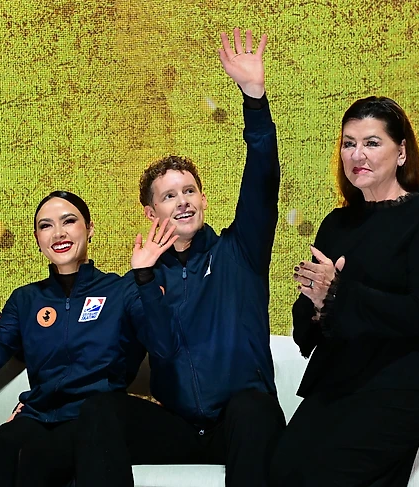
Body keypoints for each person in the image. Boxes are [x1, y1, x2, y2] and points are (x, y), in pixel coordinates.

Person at [75, 28, 285, 487]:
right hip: (181, 428)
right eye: (169, 196)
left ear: (204, 200)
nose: (183, 201)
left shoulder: (240, 251)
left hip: (240, 425)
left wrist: (254, 98)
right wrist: (145, 279)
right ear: (151, 213)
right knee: (99, 410)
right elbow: (145, 356)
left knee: (252, 407)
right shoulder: (137, 282)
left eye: (189, 191)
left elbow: (263, 179)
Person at [270, 96, 419, 486]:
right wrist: (316, 304)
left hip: (411, 380)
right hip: (343, 377)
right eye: (349, 143)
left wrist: (338, 294)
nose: (357, 154)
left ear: (401, 152)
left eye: (371, 143)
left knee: (324, 476)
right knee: (280, 471)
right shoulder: (335, 224)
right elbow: (308, 327)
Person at [0, 191, 147, 487]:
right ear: (38, 239)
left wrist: (147, 279)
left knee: (30, 457)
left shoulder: (121, 290)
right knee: (2, 445)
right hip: (39, 418)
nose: (58, 233)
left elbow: (160, 341)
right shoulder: (25, 299)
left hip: (95, 423)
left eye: (69, 221)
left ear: (90, 228)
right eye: (46, 226)